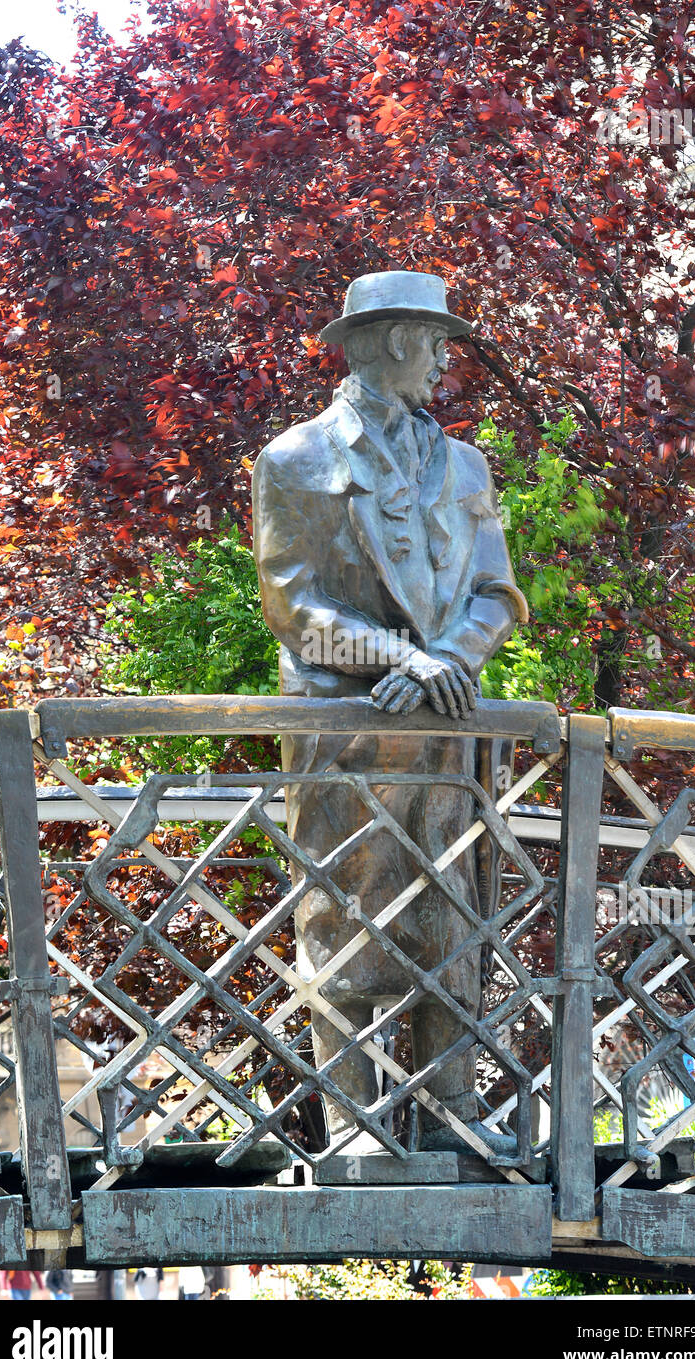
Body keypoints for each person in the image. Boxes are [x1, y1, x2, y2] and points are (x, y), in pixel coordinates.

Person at [252, 270, 528, 1156]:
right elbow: (294, 608)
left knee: (450, 917)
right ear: (390, 341)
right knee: (339, 919)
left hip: (446, 727)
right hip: (346, 727)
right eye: (435, 340)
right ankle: (352, 1124)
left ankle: (451, 1118)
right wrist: (400, 658)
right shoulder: (296, 460)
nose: (446, 360)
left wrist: (447, 660)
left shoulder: (464, 465)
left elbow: (494, 591)